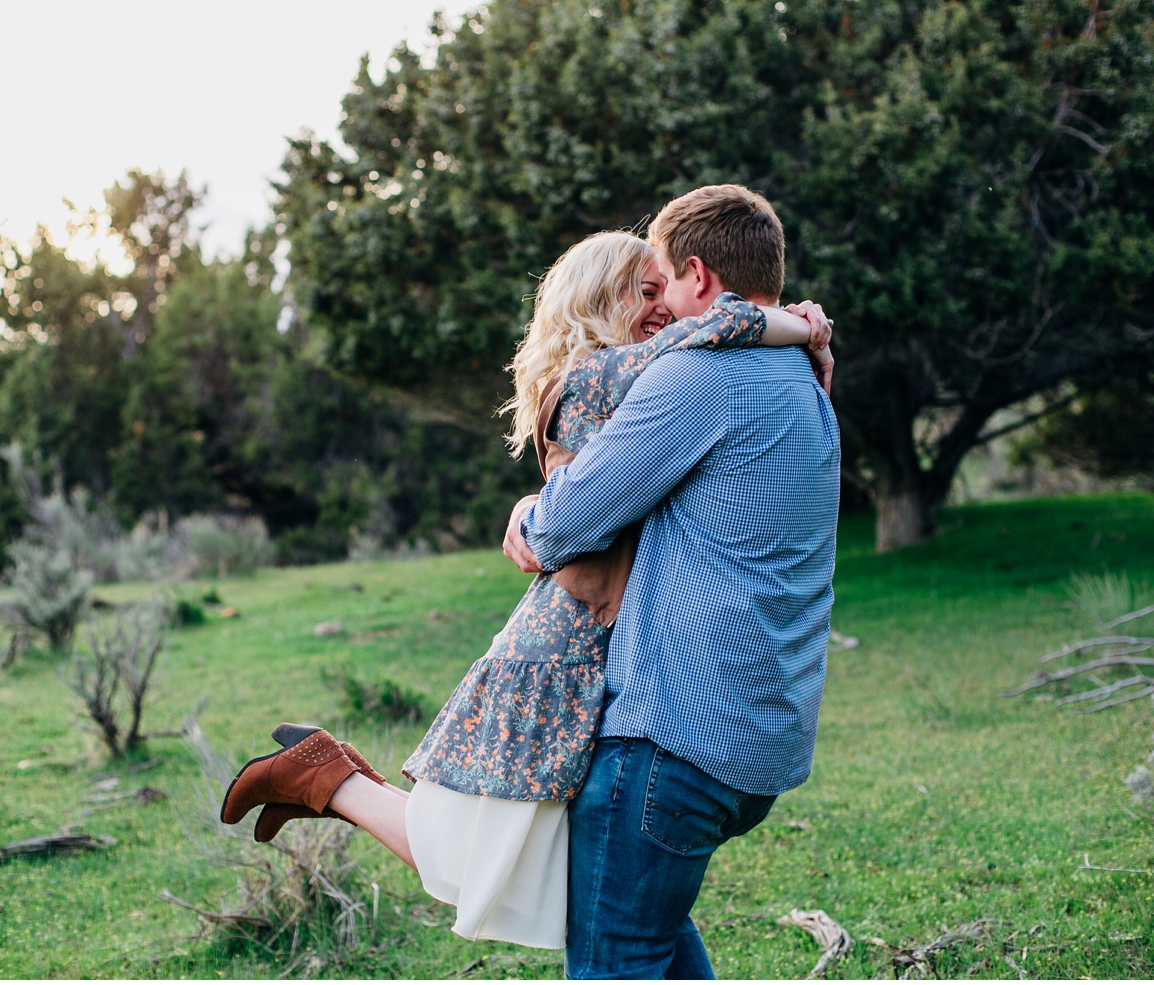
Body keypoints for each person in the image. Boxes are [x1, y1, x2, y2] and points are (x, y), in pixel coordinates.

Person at [220, 223, 833, 952]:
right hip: (566, 649)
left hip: (592, 646)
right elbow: (725, 321)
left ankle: (330, 774)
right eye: (645, 291)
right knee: (483, 852)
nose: (665, 304)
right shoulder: (608, 374)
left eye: (665, 285)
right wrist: (798, 323)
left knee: (588, 881)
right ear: (600, 303)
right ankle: (330, 777)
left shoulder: (635, 369)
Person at [502, 185, 841, 978]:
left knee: (615, 959)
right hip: (758, 744)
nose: (657, 310)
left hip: (670, 741)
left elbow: (559, 526)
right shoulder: (807, 384)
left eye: (661, 285)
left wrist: (531, 504)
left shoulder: (695, 380)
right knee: (652, 939)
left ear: (696, 275)